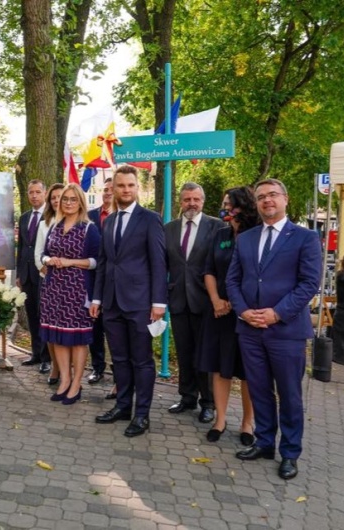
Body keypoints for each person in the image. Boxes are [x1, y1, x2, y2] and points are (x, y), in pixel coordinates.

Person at [227, 178, 321, 480]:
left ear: (285, 199)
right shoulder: (246, 238)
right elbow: (233, 280)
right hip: (250, 330)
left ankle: (290, 452)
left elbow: (309, 283)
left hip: (286, 331)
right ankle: (265, 442)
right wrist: (243, 311)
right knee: (258, 390)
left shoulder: (305, 238)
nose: (267, 200)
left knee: (290, 394)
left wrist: (276, 314)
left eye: (272, 195)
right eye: (261, 197)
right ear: (256, 203)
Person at [91, 165, 167, 438]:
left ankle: (142, 414)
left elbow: (159, 262)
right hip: (111, 302)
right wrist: (97, 297)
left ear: (137, 188)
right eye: (121, 186)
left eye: (130, 186)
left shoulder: (149, 219)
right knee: (120, 359)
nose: (125, 190)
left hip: (140, 303)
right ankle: (123, 406)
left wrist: (159, 302)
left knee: (142, 360)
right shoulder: (109, 221)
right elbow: (103, 261)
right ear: (115, 189)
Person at [198, 187, 258, 445]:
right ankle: (220, 419)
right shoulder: (220, 234)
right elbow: (209, 269)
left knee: (247, 372)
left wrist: (236, 304)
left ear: (242, 207)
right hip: (218, 312)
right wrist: (215, 299)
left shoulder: (256, 236)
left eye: (228, 204)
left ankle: (247, 423)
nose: (224, 209)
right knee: (220, 368)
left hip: (247, 314)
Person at [165, 183, 224, 424]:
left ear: (203, 201)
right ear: (181, 201)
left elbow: (222, 264)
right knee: (184, 352)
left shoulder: (218, 228)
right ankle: (187, 397)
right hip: (178, 299)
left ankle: (208, 403)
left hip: (206, 302)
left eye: (196, 199)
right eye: (187, 199)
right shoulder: (169, 228)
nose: (192, 203)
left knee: (205, 355)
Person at [39, 184, 100, 405]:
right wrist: (49, 260)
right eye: (65, 199)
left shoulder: (88, 228)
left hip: (77, 289)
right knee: (58, 338)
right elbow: (44, 255)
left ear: (81, 202)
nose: (68, 203)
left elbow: (96, 261)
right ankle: (64, 380)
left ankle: (76, 384)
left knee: (77, 339)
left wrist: (70, 262)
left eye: (73, 199)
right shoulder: (55, 226)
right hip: (54, 288)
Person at [15, 180, 50, 373]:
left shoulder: (51, 216)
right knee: (31, 316)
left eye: (38, 192)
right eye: (31, 192)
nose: (34, 196)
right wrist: (19, 274)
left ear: (44, 193)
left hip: (43, 274)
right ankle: (36, 353)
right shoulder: (24, 217)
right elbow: (21, 247)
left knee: (43, 315)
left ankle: (47, 357)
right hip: (27, 275)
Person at [33, 183, 64, 383]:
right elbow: (38, 253)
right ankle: (54, 367)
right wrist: (46, 269)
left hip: (71, 285)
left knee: (68, 329)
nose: (56, 200)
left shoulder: (78, 222)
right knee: (51, 327)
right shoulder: (44, 223)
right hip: (49, 282)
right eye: (53, 197)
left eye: (60, 196)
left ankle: (67, 369)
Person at [86, 178, 112, 386]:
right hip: (93, 279)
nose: (108, 193)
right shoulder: (91, 216)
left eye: (112, 189)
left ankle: (118, 373)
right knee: (95, 328)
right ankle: (97, 367)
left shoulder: (122, 217)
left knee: (113, 330)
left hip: (114, 282)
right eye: (105, 190)